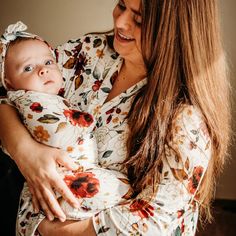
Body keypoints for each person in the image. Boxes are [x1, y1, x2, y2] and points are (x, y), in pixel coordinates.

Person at [0, 0, 231, 235]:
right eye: (121, 5)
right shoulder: (90, 52)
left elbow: (151, 225)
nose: (120, 22)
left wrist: (49, 229)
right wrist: (24, 149)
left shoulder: (186, 120)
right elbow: (11, 91)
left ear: (175, 30)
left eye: (138, 19)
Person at [0, 22, 131, 235]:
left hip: (66, 202)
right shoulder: (33, 100)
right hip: (60, 181)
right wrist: (24, 149)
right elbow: (55, 132)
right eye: (28, 68)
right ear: (10, 83)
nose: (43, 69)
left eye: (48, 62)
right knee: (116, 189)